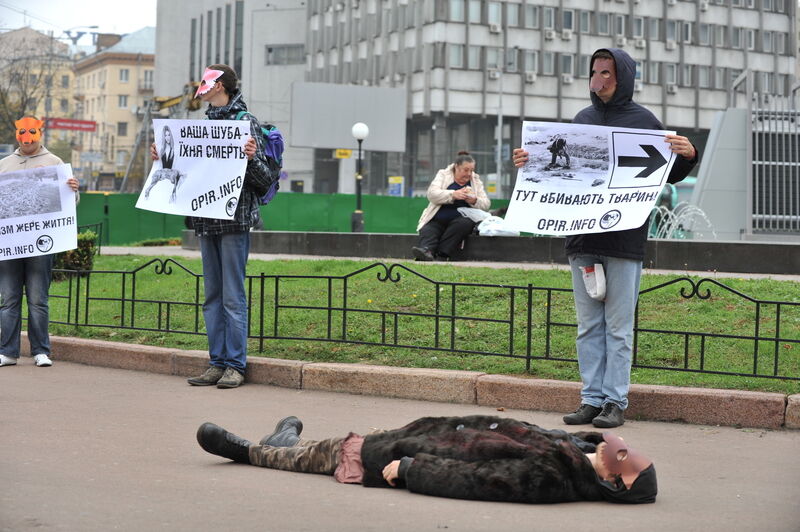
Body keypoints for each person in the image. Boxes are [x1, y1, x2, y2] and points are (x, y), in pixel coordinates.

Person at [512, 49, 699, 428]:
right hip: (582, 241)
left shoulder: (644, 120)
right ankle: (590, 399)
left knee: (618, 327)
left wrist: (688, 154)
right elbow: (559, 169)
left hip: (624, 242)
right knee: (588, 326)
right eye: (595, 72)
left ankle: (615, 402)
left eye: (607, 73)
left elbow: (668, 173)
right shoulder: (582, 121)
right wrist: (526, 161)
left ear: (623, 77)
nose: (599, 80)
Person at [196, 414, 657, 504]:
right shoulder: (573, 451)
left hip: (411, 456)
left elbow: (479, 480)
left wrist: (416, 472)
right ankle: (285, 438)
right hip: (423, 435)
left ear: (617, 482)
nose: (628, 450)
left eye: (630, 459)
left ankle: (251, 451)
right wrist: (595, 435)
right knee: (336, 443)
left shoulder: (552, 478)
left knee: (323, 456)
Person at [151, 64, 278, 388]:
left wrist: (250, 158)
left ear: (219, 85)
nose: (201, 88)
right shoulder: (203, 124)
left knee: (233, 296)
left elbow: (264, 180)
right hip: (206, 219)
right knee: (212, 296)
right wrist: (162, 156)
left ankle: (235, 365)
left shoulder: (245, 122)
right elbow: (189, 171)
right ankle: (216, 362)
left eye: (206, 83)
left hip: (234, 220)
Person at [0, 116, 80, 368]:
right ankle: (8, 352)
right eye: (22, 132)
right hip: (10, 245)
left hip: (41, 244)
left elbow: (70, 203)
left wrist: (73, 190)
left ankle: (40, 351)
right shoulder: (4, 165)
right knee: (10, 299)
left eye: (31, 132)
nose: (27, 138)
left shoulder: (55, 162)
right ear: (17, 134)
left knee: (37, 299)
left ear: (39, 133)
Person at [412, 151, 490, 261]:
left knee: (463, 223)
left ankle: (442, 254)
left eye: (471, 170)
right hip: (438, 217)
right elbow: (432, 194)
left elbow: (486, 203)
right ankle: (426, 251)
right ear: (456, 167)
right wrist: (453, 194)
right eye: (466, 170)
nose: (469, 174)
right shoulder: (443, 175)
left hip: (460, 220)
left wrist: (474, 200)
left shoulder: (475, 180)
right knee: (428, 228)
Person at [144, 125, 185, 202]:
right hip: (163, 180)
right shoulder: (161, 148)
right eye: (165, 135)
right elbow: (159, 165)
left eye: (169, 135)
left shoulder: (176, 149)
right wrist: (155, 154)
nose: (167, 137)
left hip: (172, 179)